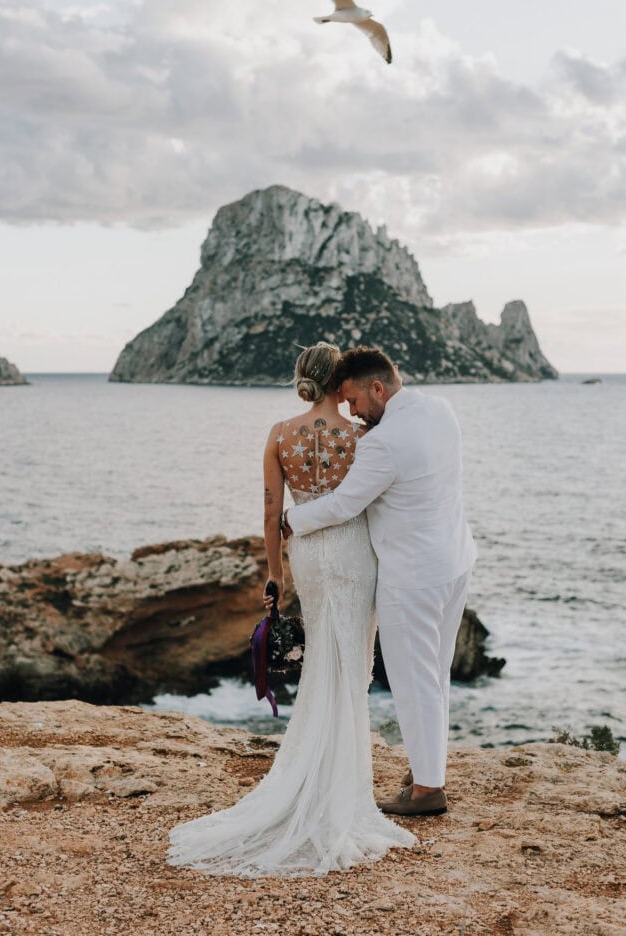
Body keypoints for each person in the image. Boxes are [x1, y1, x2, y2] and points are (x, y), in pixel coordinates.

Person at [166, 341, 415, 877]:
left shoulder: (280, 434)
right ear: (338, 382)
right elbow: (378, 502)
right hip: (353, 551)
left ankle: (320, 776)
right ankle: (342, 791)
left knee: (324, 657)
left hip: (309, 554)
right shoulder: (362, 434)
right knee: (351, 664)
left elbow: (271, 512)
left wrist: (274, 575)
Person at [282, 346, 477, 816]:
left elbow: (345, 504)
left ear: (376, 387)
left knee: (413, 682)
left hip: (412, 577)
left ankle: (429, 791)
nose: (351, 412)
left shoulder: (381, 444)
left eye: (354, 401)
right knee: (437, 673)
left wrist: (292, 518)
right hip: (455, 562)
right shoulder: (440, 410)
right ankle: (429, 767)